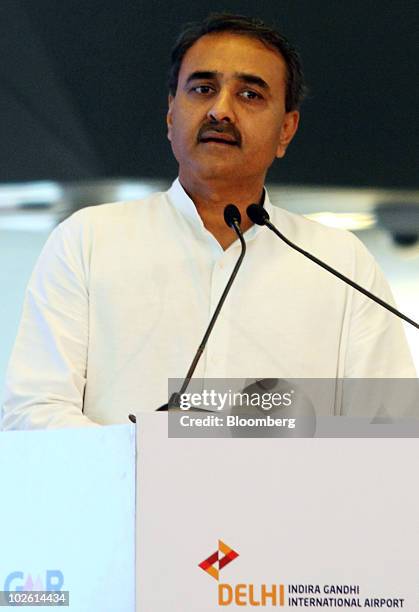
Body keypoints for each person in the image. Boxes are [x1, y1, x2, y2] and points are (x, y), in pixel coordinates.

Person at [1, 13, 416, 430]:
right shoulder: (87, 241)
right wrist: (156, 454)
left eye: (250, 95)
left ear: (286, 130)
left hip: (290, 496)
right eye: (203, 89)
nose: (221, 110)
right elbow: (33, 413)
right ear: (170, 114)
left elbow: (389, 430)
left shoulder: (341, 263)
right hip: (123, 494)